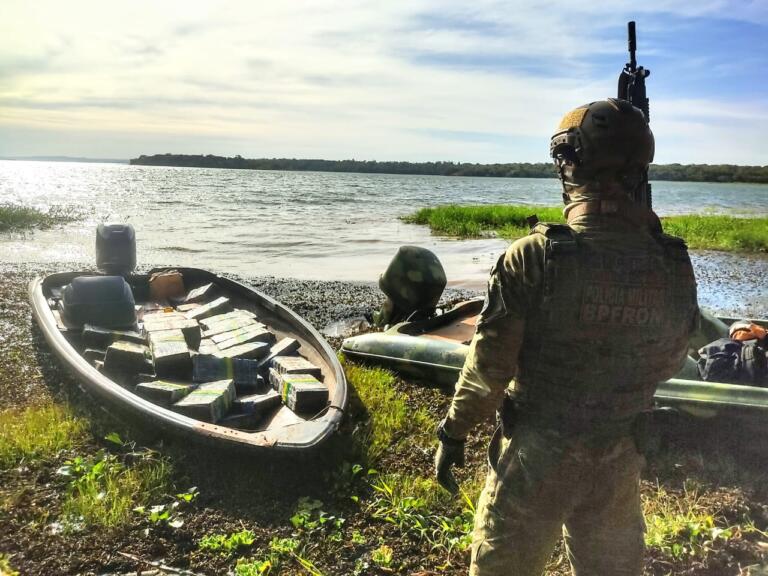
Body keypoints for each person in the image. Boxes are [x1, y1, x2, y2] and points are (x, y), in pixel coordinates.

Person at [434, 98, 699, 576]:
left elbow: (489, 370)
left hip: (538, 453)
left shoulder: (535, 256)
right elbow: (670, 357)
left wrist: (453, 433)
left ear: (569, 163)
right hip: (619, 454)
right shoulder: (672, 262)